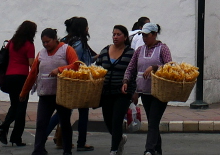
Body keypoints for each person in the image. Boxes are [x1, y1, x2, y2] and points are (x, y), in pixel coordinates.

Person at [20, 27, 78, 155]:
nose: (46, 45)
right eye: (43, 42)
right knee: (41, 123)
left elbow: (76, 65)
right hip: (45, 94)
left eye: (48, 41)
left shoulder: (66, 49)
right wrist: (24, 92)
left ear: (55, 39)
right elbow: (33, 73)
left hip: (63, 94)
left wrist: (60, 70)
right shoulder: (41, 54)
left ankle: (67, 150)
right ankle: (38, 149)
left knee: (64, 123)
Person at [124, 23, 172, 155]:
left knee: (153, 121)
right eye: (143, 36)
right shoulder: (140, 50)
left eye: (147, 35)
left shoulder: (163, 49)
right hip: (144, 91)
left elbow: (170, 66)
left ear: (154, 34)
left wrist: (155, 67)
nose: (144, 38)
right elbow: (131, 68)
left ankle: (149, 149)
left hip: (159, 93)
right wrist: (126, 81)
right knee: (152, 121)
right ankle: (157, 150)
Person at [54, 18, 94, 152]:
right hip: (78, 80)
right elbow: (81, 62)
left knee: (63, 111)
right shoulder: (80, 43)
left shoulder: (65, 40)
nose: (88, 29)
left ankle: (42, 138)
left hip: (65, 79)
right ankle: (81, 142)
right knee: (83, 110)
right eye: (86, 26)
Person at [95, 26, 134, 155]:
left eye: (118, 34)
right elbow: (97, 69)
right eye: (114, 34)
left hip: (122, 92)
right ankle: (119, 139)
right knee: (108, 120)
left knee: (117, 120)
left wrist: (135, 92)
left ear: (125, 37)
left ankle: (114, 149)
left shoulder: (130, 53)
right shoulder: (105, 50)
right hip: (106, 92)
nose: (115, 37)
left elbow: (133, 72)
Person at [0, 20, 38, 146]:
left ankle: (5, 126)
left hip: (9, 76)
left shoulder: (12, 42)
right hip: (22, 78)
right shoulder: (29, 45)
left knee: (14, 105)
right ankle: (16, 137)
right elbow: (31, 64)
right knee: (21, 108)